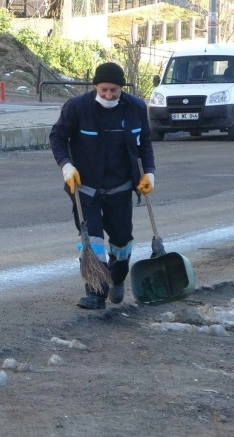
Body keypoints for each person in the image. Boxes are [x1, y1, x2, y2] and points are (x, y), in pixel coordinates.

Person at [49, 62, 156, 309]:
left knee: (121, 242)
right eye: (104, 90)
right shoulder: (77, 108)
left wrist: (149, 173)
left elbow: (145, 143)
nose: (109, 95)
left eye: (114, 90)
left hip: (120, 187)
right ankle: (96, 292)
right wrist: (66, 166)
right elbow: (57, 136)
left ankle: (117, 278)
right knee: (92, 240)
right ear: (96, 86)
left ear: (122, 89)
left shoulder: (136, 108)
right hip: (85, 189)